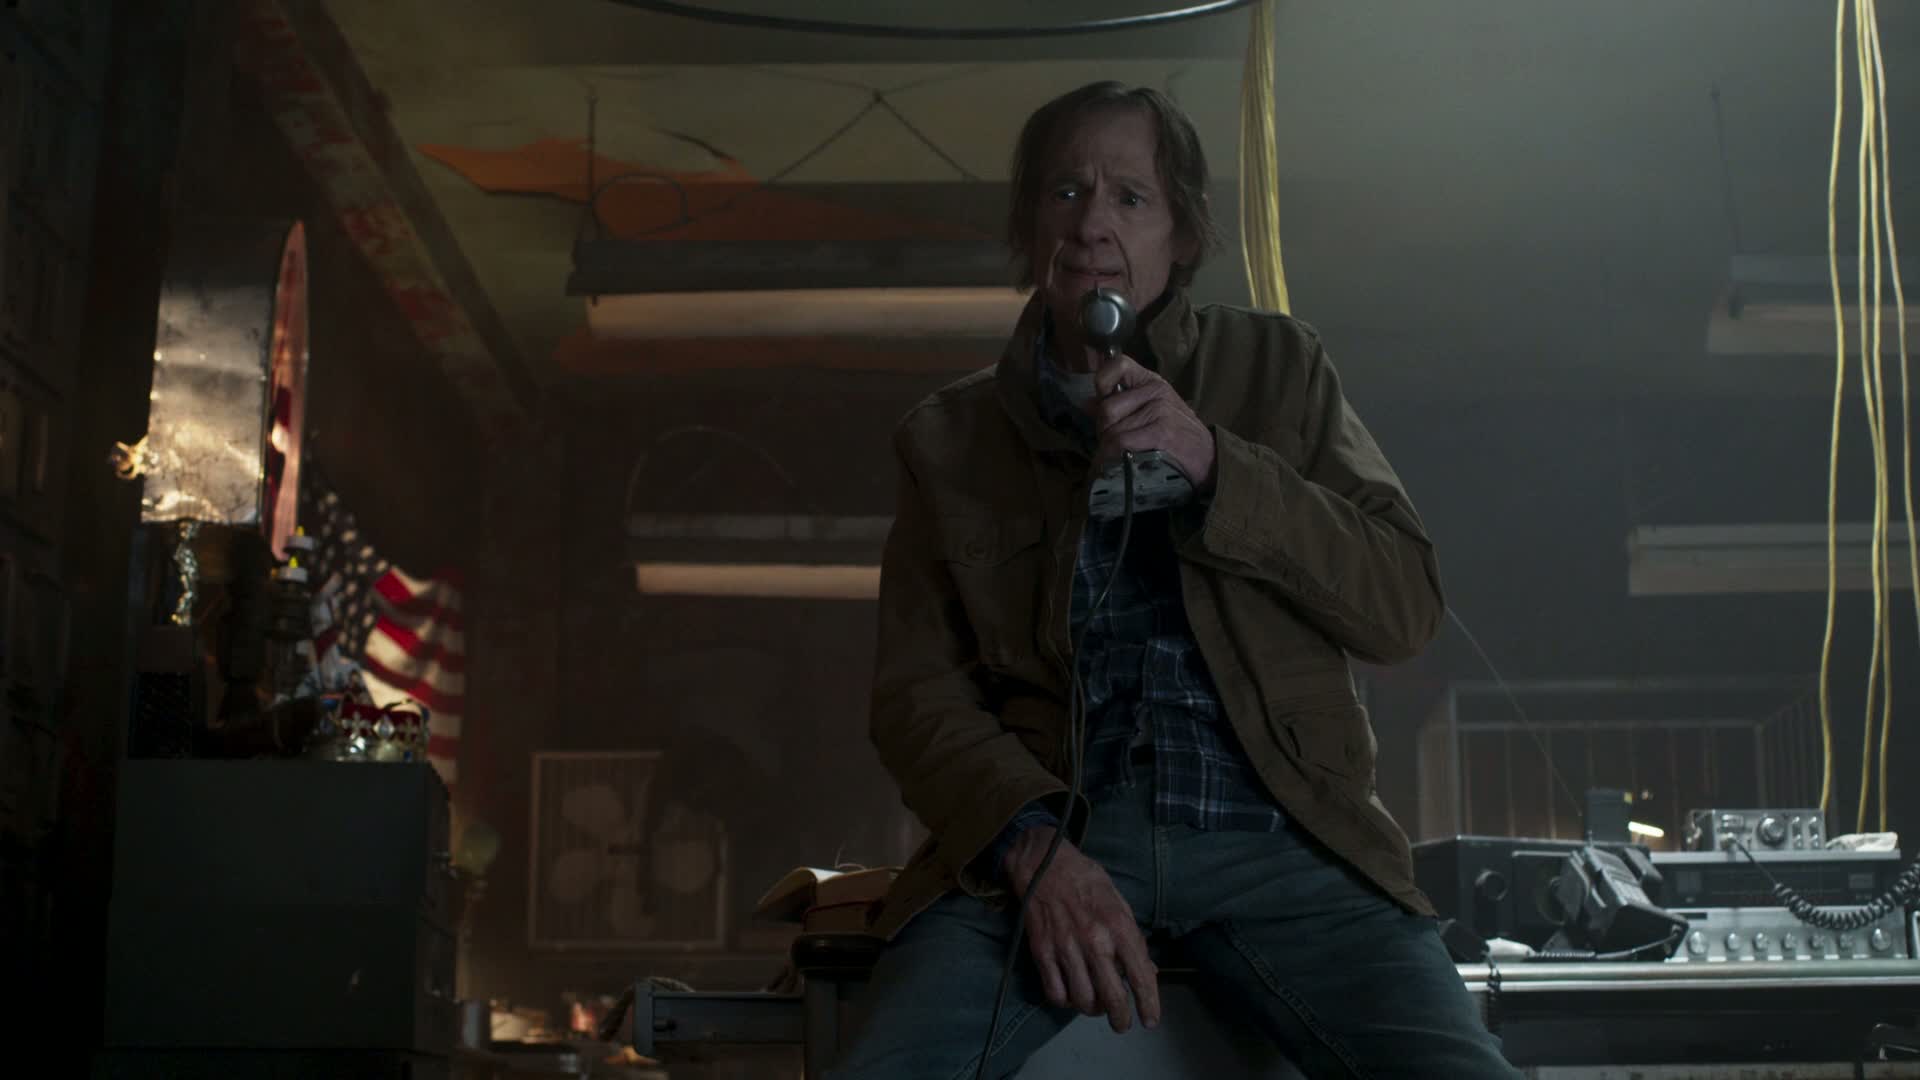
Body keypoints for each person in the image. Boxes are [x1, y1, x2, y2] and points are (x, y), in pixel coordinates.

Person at [830, 81, 1520, 1079]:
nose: (1092, 225)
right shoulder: (947, 440)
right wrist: (1031, 849)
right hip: (1057, 837)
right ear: (1029, 227)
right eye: (1066, 192)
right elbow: (914, 697)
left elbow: (1402, 607)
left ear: (1182, 234)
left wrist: (1215, 463)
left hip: (1281, 837)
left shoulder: (1280, 369)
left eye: (1130, 197)